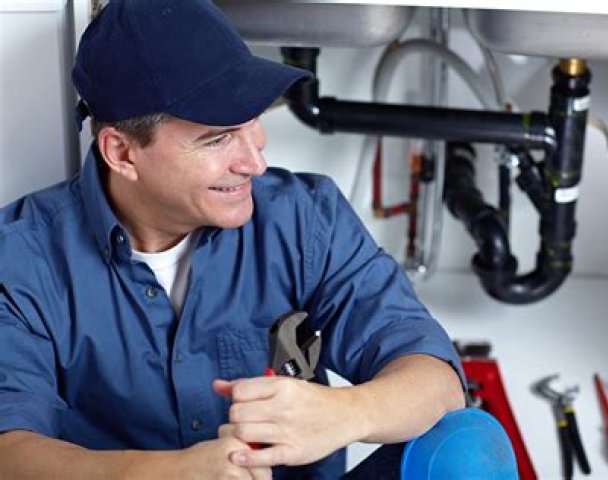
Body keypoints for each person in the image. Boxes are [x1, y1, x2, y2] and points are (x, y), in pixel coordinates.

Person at [0, 1, 467, 478]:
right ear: (122, 153)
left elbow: (438, 382)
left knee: (466, 451)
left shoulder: (304, 218)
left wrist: (346, 413)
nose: (255, 163)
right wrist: (175, 473)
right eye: (218, 138)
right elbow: (8, 451)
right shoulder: (20, 260)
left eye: (252, 120)